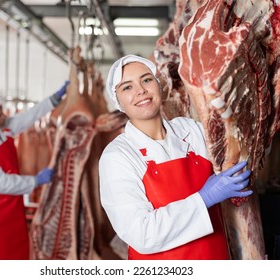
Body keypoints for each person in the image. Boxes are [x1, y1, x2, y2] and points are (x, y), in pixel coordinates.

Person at [99, 55, 253, 260]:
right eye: (127, 87)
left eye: (146, 79)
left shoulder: (191, 130)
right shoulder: (117, 156)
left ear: (159, 84)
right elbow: (141, 234)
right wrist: (204, 199)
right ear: (117, 100)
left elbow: (238, 146)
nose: (140, 91)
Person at [0, 81, 69, 260]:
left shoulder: (0, 129)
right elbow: (0, 183)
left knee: (17, 254)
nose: (4, 117)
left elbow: (28, 117)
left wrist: (54, 99)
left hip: (12, 205)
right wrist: (36, 181)